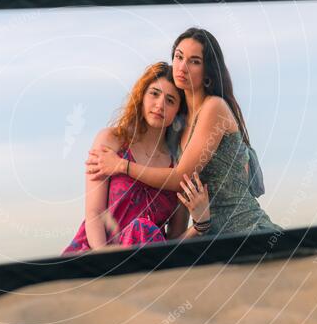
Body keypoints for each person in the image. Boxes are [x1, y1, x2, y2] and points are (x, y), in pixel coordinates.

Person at [86, 28, 279, 235]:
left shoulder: (214, 107)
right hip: (209, 240)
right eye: (179, 57)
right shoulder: (179, 125)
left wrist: (122, 165)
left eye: (194, 61)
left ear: (207, 71)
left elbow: (181, 177)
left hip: (247, 231)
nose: (182, 67)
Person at [63, 62, 213, 254]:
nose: (160, 105)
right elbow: (94, 213)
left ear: (178, 111)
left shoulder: (178, 166)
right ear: (141, 95)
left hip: (147, 262)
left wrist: (199, 226)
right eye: (154, 93)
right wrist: (106, 260)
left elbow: (172, 241)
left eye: (170, 100)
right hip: (96, 252)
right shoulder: (112, 140)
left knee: (143, 228)